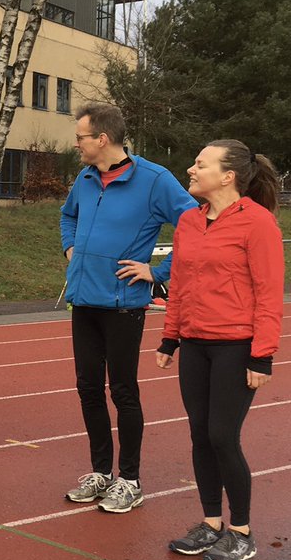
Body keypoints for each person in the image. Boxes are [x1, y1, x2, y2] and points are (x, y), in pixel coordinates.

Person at [61, 103, 197, 512]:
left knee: (122, 390)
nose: (77, 144)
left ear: (102, 138)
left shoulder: (154, 179)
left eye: (81, 136)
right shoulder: (85, 178)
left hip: (123, 305)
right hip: (83, 300)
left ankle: (130, 479)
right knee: (87, 389)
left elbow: (194, 223)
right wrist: (70, 248)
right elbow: (68, 217)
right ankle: (101, 471)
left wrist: (158, 272)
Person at [155, 140, 283, 560]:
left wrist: (262, 355)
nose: (190, 170)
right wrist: (170, 339)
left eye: (199, 164)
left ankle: (241, 532)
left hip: (236, 346)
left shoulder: (257, 223)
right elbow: (180, 285)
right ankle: (211, 524)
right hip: (194, 344)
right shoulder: (189, 222)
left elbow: (268, 294)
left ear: (227, 176)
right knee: (198, 435)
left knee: (222, 436)